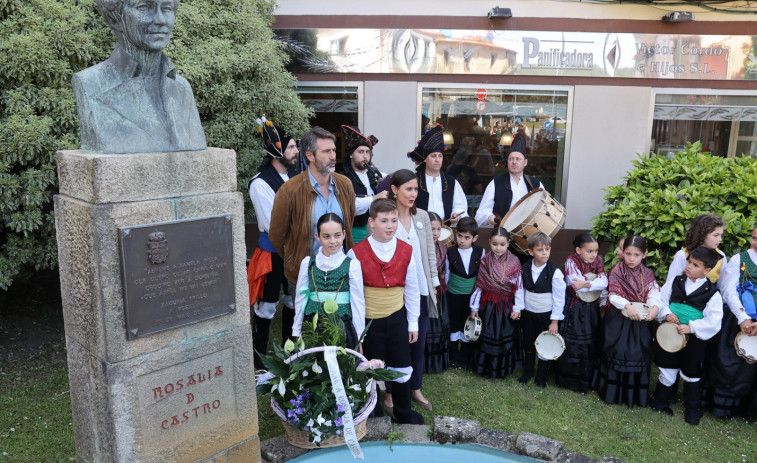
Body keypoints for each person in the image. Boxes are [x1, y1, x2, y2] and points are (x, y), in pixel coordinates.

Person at [73, 0, 206, 153]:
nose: (160, 20)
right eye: (143, 7)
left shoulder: (182, 88)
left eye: (167, 8)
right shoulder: (91, 84)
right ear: (114, 19)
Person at [347, 198, 424, 424]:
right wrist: (359, 332)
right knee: (370, 366)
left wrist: (412, 322)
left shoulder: (406, 250)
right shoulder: (356, 253)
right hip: (370, 320)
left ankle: (402, 410)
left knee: (401, 364)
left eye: (393, 220)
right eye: (383, 221)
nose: (390, 226)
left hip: (397, 317)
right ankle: (373, 412)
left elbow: (412, 288)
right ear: (371, 222)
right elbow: (356, 298)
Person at [269, 127, 356, 293]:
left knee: (341, 319)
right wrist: (293, 260)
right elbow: (276, 235)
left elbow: (348, 222)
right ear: (310, 156)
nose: (332, 156)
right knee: (308, 319)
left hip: (342, 272)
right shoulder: (289, 190)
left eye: (333, 150)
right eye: (326, 151)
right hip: (306, 276)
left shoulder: (345, 185)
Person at [382, 170, 439, 412]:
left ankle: (416, 388)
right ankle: (390, 393)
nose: (413, 194)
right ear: (395, 190)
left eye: (416, 189)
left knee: (418, 342)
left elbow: (429, 251)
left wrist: (434, 281)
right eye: (409, 189)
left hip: (421, 289)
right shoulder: (387, 216)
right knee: (394, 344)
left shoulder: (422, 217)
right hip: (395, 292)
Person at [651, 247, 724, 425]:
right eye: (689, 262)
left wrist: (692, 327)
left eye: (695, 265)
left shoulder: (712, 292)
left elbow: (714, 320)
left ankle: (692, 409)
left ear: (706, 271)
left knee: (691, 371)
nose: (689, 266)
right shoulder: (676, 281)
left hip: (694, 340)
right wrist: (667, 313)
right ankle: (661, 400)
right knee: (667, 365)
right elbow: (662, 299)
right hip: (670, 334)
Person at [247, 117, 298, 366]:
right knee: (266, 306)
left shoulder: (295, 178)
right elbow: (273, 222)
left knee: (292, 300)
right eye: (291, 147)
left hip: (293, 251)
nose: (296, 151)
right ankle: (258, 360)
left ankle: (291, 353)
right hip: (272, 252)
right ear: (277, 151)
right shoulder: (260, 183)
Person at [596, 235, 661, 408]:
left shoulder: (647, 274)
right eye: (628, 254)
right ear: (622, 253)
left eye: (636, 255)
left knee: (638, 353)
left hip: (640, 320)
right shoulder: (617, 270)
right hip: (619, 318)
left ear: (644, 255)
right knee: (618, 351)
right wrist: (627, 305)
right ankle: (613, 393)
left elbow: (654, 292)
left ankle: (633, 395)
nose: (632, 259)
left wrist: (654, 307)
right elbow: (613, 294)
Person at [703, 223, 757, 419]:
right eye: (754, 238)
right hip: (736, 318)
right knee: (728, 364)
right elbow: (728, 290)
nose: (756, 243)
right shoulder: (738, 259)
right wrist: (743, 318)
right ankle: (724, 407)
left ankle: (747, 409)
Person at [291, 214, 365, 350]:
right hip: (312, 324)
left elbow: (358, 302)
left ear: (343, 234)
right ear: (317, 237)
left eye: (337, 235)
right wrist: (297, 331)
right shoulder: (308, 263)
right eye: (326, 236)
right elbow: (300, 300)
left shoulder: (352, 265)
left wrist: (359, 337)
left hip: (341, 324)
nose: (332, 241)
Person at [475, 133, 542, 262]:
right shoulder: (496, 183)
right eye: (511, 159)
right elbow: (481, 214)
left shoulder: (536, 184)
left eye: (518, 159)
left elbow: (545, 210)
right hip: (502, 242)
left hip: (528, 241)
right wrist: (491, 218)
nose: (514, 162)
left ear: (525, 162)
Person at [555, 233, 607, 393]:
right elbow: (575, 284)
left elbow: (605, 282)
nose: (594, 255)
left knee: (589, 341)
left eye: (596, 251)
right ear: (578, 250)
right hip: (575, 307)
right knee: (573, 341)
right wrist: (592, 284)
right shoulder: (571, 262)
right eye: (589, 251)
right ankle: (569, 378)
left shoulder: (598, 261)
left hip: (591, 308)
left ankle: (587, 378)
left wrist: (587, 283)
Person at [469, 228, 524, 378]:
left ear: (508, 243)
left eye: (502, 244)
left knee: (503, 335)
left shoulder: (514, 262)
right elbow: (479, 285)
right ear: (489, 243)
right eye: (494, 244)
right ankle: (484, 367)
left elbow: (519, 287)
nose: (498, 248)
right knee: (486, 333)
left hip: (505, 306)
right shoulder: (485, 261)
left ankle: (501, 368)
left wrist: (518, 308)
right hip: (487, 305)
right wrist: (474, 307)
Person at [519, 232, 566, 387]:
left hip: (546, 315)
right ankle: (528, 372)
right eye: (540, 250)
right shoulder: (525, 268)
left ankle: (541, 376)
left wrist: (554, 321)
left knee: (545, 343)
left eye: (547, 249)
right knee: (528, 343)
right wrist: (519, 309)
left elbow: (559, 299)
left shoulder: (555, 273)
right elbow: (521, 291)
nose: (544, 252)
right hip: (529, 313)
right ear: (531, 252)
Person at [407, 124, 468, 224]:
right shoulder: (414, 181)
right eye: (433, 156)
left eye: (440, 156)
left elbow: (460, 205)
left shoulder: (451, 182)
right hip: (419, 228)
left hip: (444, 229)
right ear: (425, 159)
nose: (437, 160)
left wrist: (455, 214)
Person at [445, 217, 484, 368]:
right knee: (454, 324)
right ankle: (453, 356)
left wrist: (476, 302)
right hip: (453, 296)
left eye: (467, 237)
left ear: (475, 238)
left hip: (471, 296)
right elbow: (447, 275)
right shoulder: (450, 252)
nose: (462, 240)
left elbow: (480, 277)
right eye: (459, 236)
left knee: (468, 324)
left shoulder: (480, 252)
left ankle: (466, 357)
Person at [340, 125, 387, 243]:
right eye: (360, 152)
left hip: (377, 231)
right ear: (351, 154)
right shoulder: (343, 178)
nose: (365, 156)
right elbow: (349, 207)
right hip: (355, 233)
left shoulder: (376, 174)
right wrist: (375, 198)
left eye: (367, 152)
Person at [664, 214, 727, 288]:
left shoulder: (720, 256)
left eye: (721, 235)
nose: (720, 239)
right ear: (702, 234)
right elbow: (670, 284)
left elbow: (722, 286)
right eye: (716, 235)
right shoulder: (683, 255)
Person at [426, 212, 451, 374]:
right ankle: (425, 362)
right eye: (431, 229)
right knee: (427, 327)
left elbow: (445, 271)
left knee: (439, 325)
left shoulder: (442, 247)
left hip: (439, 291)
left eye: (438, 229)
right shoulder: (418, 247)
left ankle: (438, 363)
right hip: (425, 292)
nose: (435, 233)